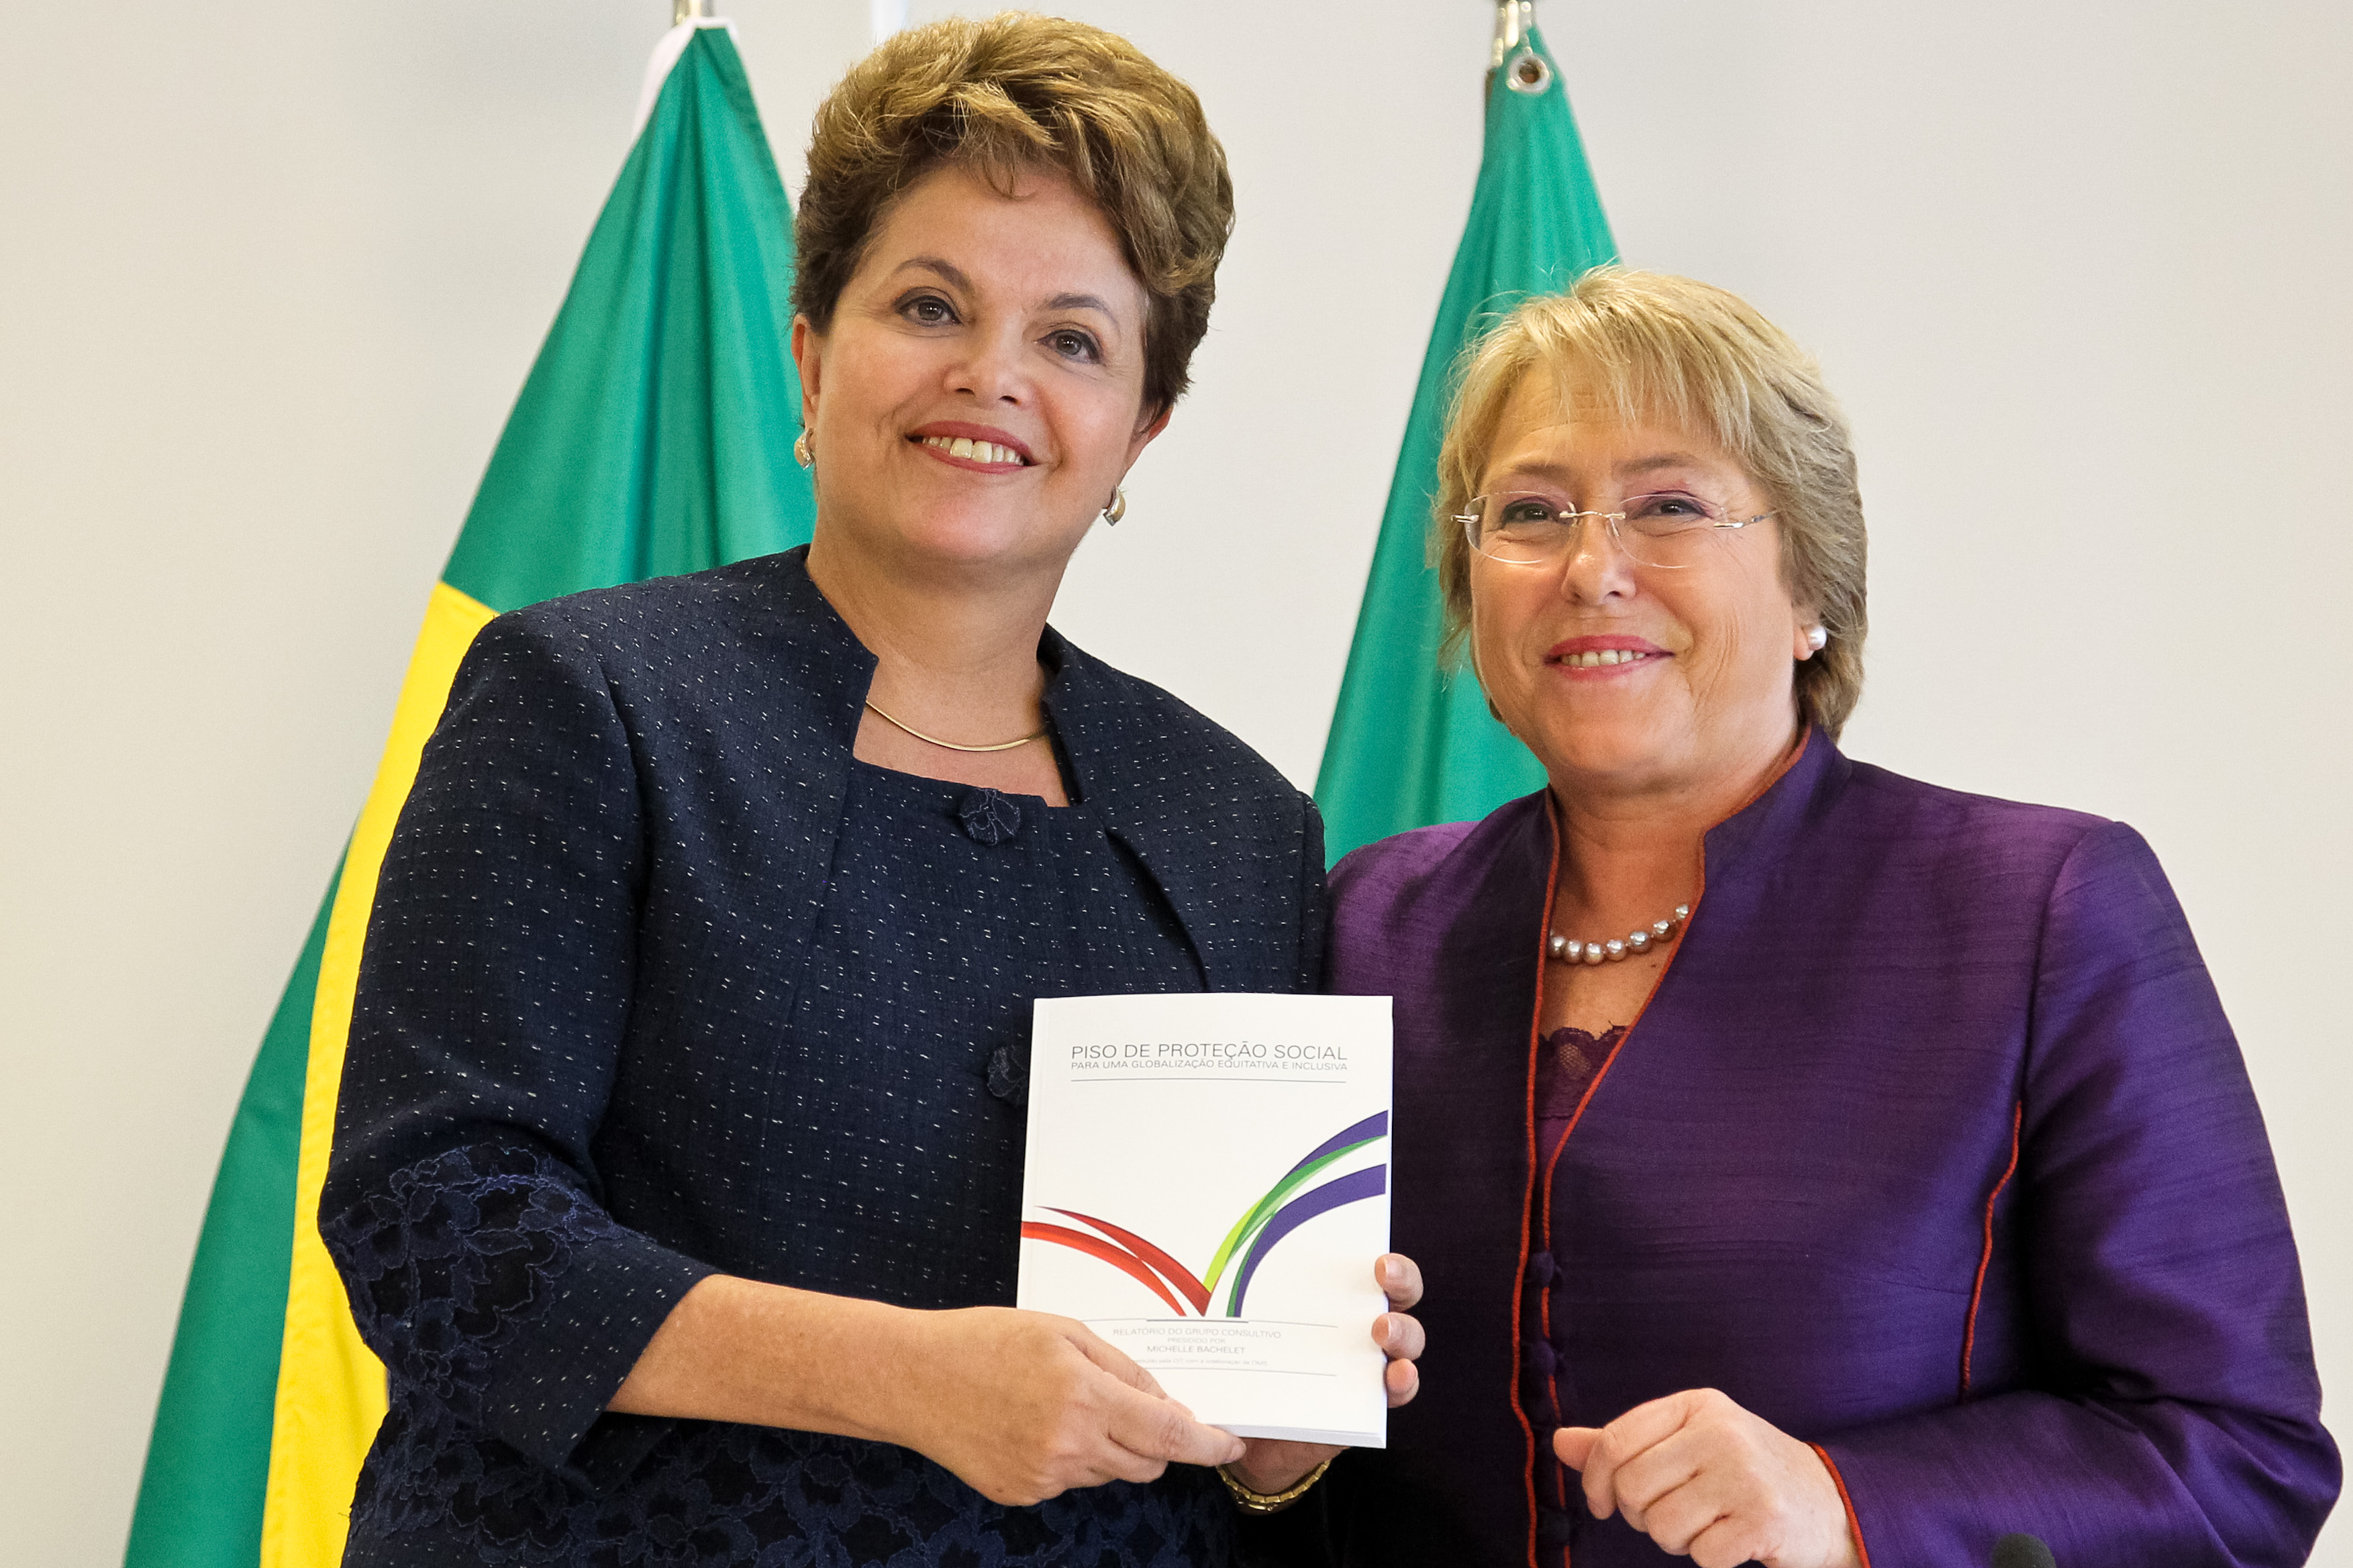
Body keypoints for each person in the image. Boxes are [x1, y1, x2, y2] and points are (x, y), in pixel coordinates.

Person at [321, 16, 1420, 1565]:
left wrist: (1284, 1430)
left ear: (1140, 429)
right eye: (928, 303)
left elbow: (1231, 1442)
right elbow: (436, 1224)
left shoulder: (1239, 820)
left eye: (1074, 338)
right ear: (813, 349)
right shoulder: (589, 698)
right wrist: (910, 1378)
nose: (991, 376)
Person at [1303, 270, 2336, 1567]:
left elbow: (2237, 1455)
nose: (1588, 566)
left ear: (1811, 592)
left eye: (1668, 505)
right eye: (1528, 512)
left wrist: (1846, 1504)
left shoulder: (2039, 906)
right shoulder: (1367, 919)